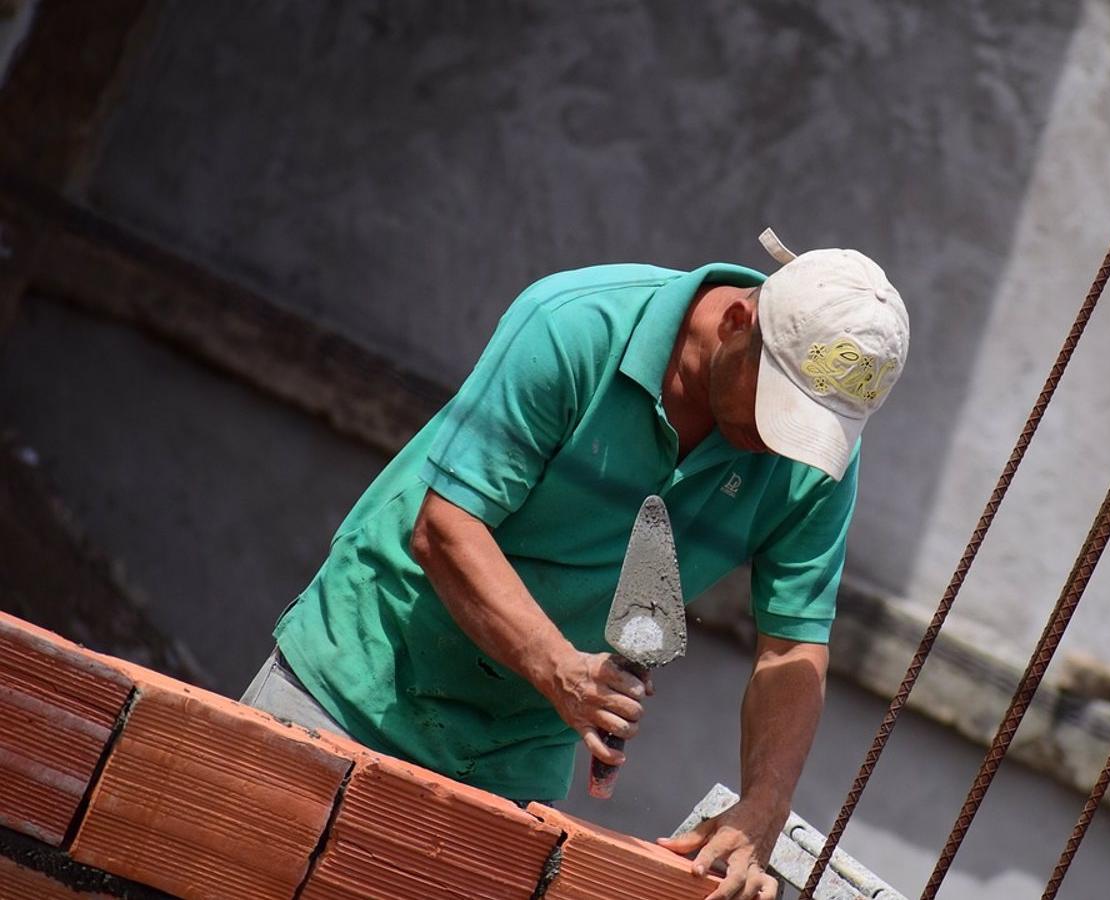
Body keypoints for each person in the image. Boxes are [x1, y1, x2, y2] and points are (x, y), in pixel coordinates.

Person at [243, 228, 909, 900]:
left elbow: (792, 648)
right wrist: (560, 670)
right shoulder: (574, 326)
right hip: (354, 685)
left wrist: (764, 805)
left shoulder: (814, 461)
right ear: (738, 321)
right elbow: (446, 529)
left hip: (513, 758)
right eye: (777, 408)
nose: (777, 440)